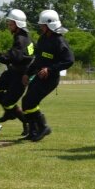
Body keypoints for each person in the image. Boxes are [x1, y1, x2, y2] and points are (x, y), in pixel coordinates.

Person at [20, 9, 74, 141]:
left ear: (50, 25)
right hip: (39, 76)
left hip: (50, 79)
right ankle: (33, 131)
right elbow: (38, 60)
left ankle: (43, 127)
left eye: (42, 25)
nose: (40, 27)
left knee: (30, 101)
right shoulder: (43, 39)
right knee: (27, 102)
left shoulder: (59, 41)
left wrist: (50, 69)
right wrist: (27, 73)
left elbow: (69, 60)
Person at [0, 8, 34, 136]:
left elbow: (15, 57)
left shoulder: (21, 39)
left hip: (20, 76)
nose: (8, 26)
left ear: (18, 24)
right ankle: (10, 113)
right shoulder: (23, 36)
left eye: (11, 23)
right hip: (13, 73)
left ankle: (29, 124)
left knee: (7, 102)